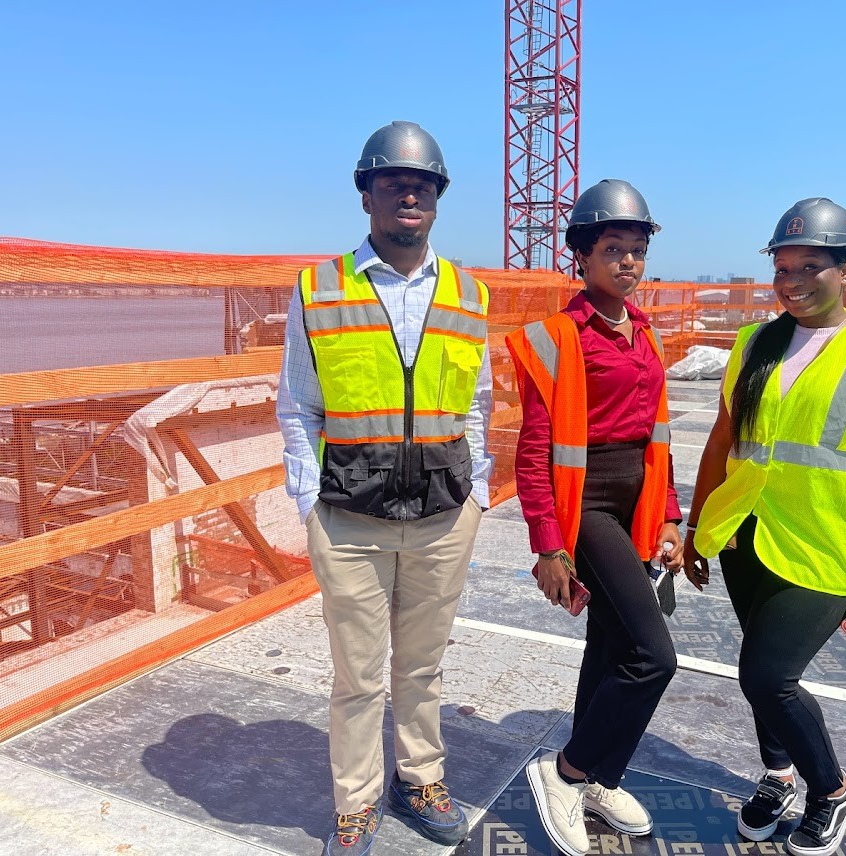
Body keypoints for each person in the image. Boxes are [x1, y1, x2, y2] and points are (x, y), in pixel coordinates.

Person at [681, 198, 846, 856]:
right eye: (782, 266)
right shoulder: (754, 342)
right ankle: (777, 774)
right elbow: (725, 439)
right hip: (744, 537)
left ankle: (831, 787)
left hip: (824, 546)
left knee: (767, 677)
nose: (791, 280)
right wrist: (696, 524)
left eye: (810, 266)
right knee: (761, 673)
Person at [276, 121, 492, 855]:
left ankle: (421, 775)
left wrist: (478, 492)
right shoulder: (320, 287)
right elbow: (298, 404)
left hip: (441, 513)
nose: (411, 193)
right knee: (359, 674)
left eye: (424, 184)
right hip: (348, 516)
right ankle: (357, 800)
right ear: (367, 193)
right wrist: (308, 501)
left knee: (423, 665)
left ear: (436, 200)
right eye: (395, 182)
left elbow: (476, 405)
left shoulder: (469, 292)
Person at [506, 179, 684, 856]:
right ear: (580, 256)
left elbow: (657, 435)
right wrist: (549, 545)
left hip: (638, 504)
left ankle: (599, 779)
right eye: (614, 249)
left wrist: (669, 517)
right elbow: (532, 453)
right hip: (588, 506)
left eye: (637, 250)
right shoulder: (555, 339)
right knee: (651, 656)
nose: (629, 262)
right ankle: (566, 772)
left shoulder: (645, 335)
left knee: (609, 648)